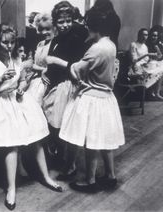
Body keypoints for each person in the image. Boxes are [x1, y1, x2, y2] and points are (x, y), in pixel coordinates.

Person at [0, 23, 63, 210]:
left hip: (17, 100)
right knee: (12, 145)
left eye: (12, 42)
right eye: (5, 43)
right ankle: (11, 188)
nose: (10, 46)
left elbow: (21, 80)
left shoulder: (16, 59)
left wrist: (21, 88)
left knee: (36, 139)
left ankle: (46, 177)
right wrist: (1, 79)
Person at [59, 8, 125, 193]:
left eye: (88, 25)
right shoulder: (111, 44)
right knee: (103, 139)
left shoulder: (96, 49)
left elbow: (77, 70)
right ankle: (110, 175)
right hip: (106, 98)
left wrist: (69, 65)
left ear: (94, 27)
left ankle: (90, 181)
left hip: (92, 98)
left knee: (91, 141)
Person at [41, 1, 88, 178]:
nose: (65, 25)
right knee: (54, 122)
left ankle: (70, 164)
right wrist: (47, 69)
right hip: (56, 83)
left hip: (69, 85)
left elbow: (76, 68)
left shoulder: (76, 39)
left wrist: (54, 61)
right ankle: (61, 157)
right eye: (61, 22)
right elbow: (53, 61)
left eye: (68, 20)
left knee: (67, 125)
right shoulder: (56, 39)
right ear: (55, 22)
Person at [26, 13, 54, 105]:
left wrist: (42, 70)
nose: (44, 32)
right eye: (42, 29)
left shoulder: (55, 44)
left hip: (48, 80)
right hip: (35, 80)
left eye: (48, 29)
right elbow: (33, 64)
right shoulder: (40, 44)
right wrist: (42, 69)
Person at [129, 28, 163, 99]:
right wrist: (146, 55)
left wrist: (148, 60)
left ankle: (155, 92)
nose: (145, 37)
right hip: (137, 67)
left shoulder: (145, 46)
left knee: (160, 66)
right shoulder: (133, 44)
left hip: (145, 67)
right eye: (143, 34)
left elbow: (146, 60)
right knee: (159, 67)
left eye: (146, 35)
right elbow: (134, 60)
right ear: (139, 35)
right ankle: (153, 92)